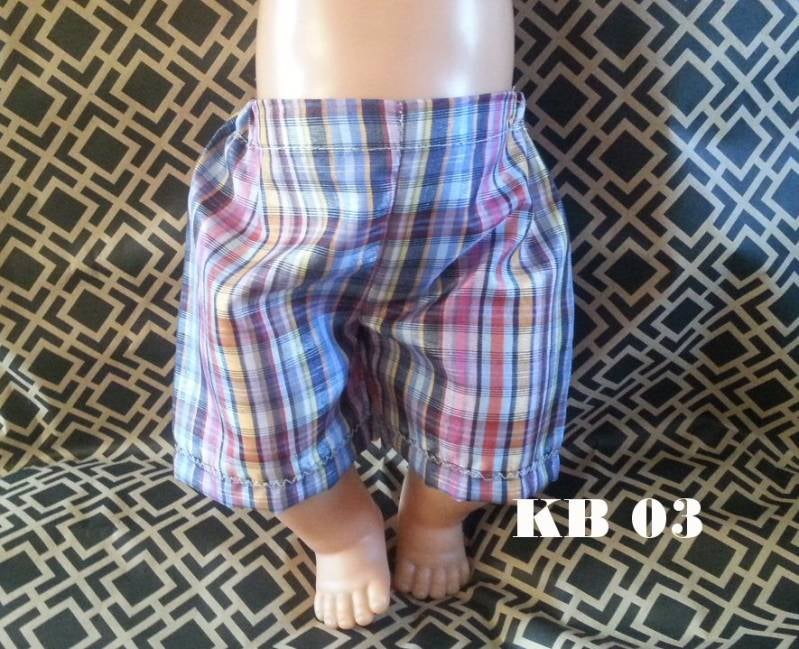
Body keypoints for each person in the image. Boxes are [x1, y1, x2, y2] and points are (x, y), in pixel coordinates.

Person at [172, 0, 575, 630]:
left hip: (474, 192)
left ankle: (435, 518)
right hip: (293, 194)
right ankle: (340, 532)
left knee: (503, 388)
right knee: (260, 396)